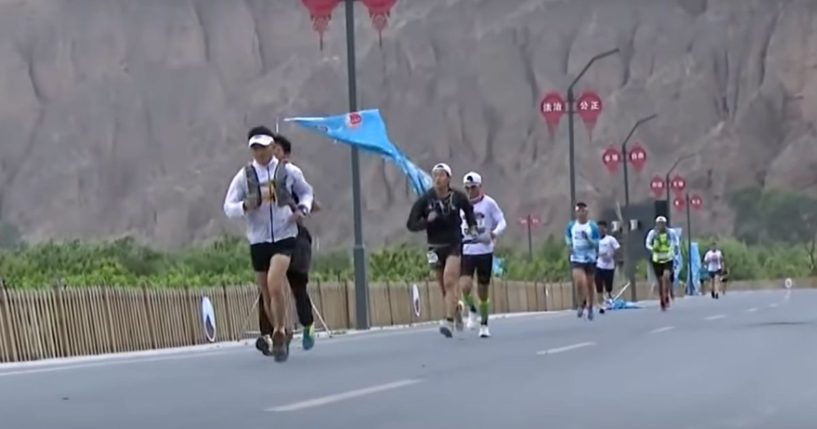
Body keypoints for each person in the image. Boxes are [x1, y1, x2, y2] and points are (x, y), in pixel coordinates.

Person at [223, 126, 315, 362]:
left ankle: (279, 331)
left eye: (263, 147)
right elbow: (228, 207)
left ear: (272, 147)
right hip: (258, 239)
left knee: (275, 284)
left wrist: (302, 209)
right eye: (255, 148)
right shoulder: (245, 176)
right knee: (266, 291)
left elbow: (306, 193)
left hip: (285, 234)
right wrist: (245, 206)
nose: (260, 153)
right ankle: (280, 334)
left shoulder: (289, 171)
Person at [252, 132, 319, 356]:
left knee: (297, 285)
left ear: (285, 155)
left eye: (276, 151)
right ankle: (272, 335)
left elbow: (311, 201)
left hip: (295, 240)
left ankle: (307, 325)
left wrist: (300, 209)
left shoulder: (291, 176)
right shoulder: (257, 179)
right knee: (269, 288)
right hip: (268, 242)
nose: (271, 155)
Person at [407, 163, 477, 338]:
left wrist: (473, 227)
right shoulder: (426, 200)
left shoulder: (458, 197)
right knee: (443, 287)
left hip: (453, 244)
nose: (438, 179)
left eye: (441, 175)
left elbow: (469, 211)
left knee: (449, 281)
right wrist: (427, 222)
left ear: (448, 178)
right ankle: (457, 310)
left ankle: (448, 321)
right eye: (435, 175)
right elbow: (411, 224)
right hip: (434, 247)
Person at [457, 171, 506, 338]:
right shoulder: (461, 204)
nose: (470, 191)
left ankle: (484, 324)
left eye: (473, 187)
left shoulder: (489, 204)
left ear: (479, 187)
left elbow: (502, 221)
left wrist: (493, 234)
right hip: (467, 250)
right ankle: (472, 310)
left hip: (484, 251)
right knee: (464, 285)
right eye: (467, 188)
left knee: (483, 290)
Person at [565, 202, 601, 321]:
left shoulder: (592, 226)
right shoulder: (571, 226)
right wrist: (569, 245)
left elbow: (597, 243)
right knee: (580, 281)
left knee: (590, 284)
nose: (581, 214)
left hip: (589, 258)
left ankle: (590, 306)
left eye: (583, 211)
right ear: (576, 213)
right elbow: (567, 236)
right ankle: (581, 303)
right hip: (576, 257)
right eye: (578, 211)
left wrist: (588, 239)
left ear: (586, 213)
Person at [645, 216, 679, 311]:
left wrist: (673, 249)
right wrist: (653, 249)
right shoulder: (653, 233)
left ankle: (666, 294)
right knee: (660, 281)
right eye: (659, 224)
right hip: (657, 259)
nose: (661, 225)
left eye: (662, 223)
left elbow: (676, 242)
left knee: (666, 277)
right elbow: (647, 243)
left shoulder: (670, 233)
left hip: (668, 258)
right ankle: (662, 299)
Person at [594, 220, 620, 314]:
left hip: (609, 266)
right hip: (599, 265)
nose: (600, 231)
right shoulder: (595, 240)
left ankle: (609, 298)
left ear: (605, 229)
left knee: (608, 286)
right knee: (598, 284)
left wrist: (612, 254)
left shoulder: (610, 239)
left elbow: (617, 248)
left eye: (602, 229)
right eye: (599, 229)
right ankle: (600, 303)